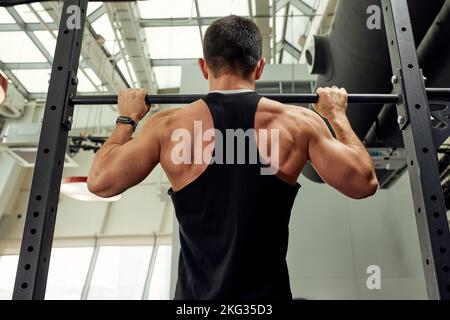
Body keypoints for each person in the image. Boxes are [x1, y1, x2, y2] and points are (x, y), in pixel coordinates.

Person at [87, 15, 378, 300]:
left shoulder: (168, 127)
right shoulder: (298, 123)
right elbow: (363, 183)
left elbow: (100, 182)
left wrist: (127, 119)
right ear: (260, 67)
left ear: (204, 67)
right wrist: (337, 116)